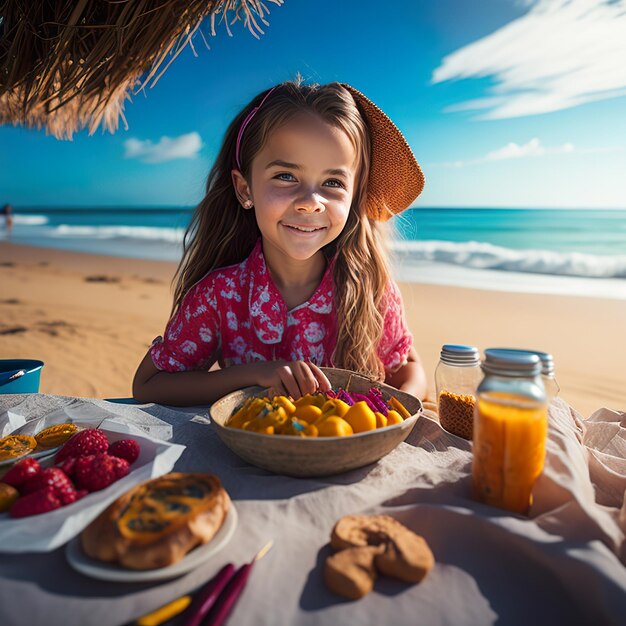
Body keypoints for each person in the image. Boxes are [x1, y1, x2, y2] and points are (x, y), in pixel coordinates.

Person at [133, 79, 428, 406]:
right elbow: (150, 385)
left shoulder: (370, 290)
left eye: (333, 182)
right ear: (245, 188)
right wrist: (258, 373)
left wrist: (393, 414)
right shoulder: (219, 296)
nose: (310, 202)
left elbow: (409, 371)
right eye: (286, 176)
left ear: (354, 196)